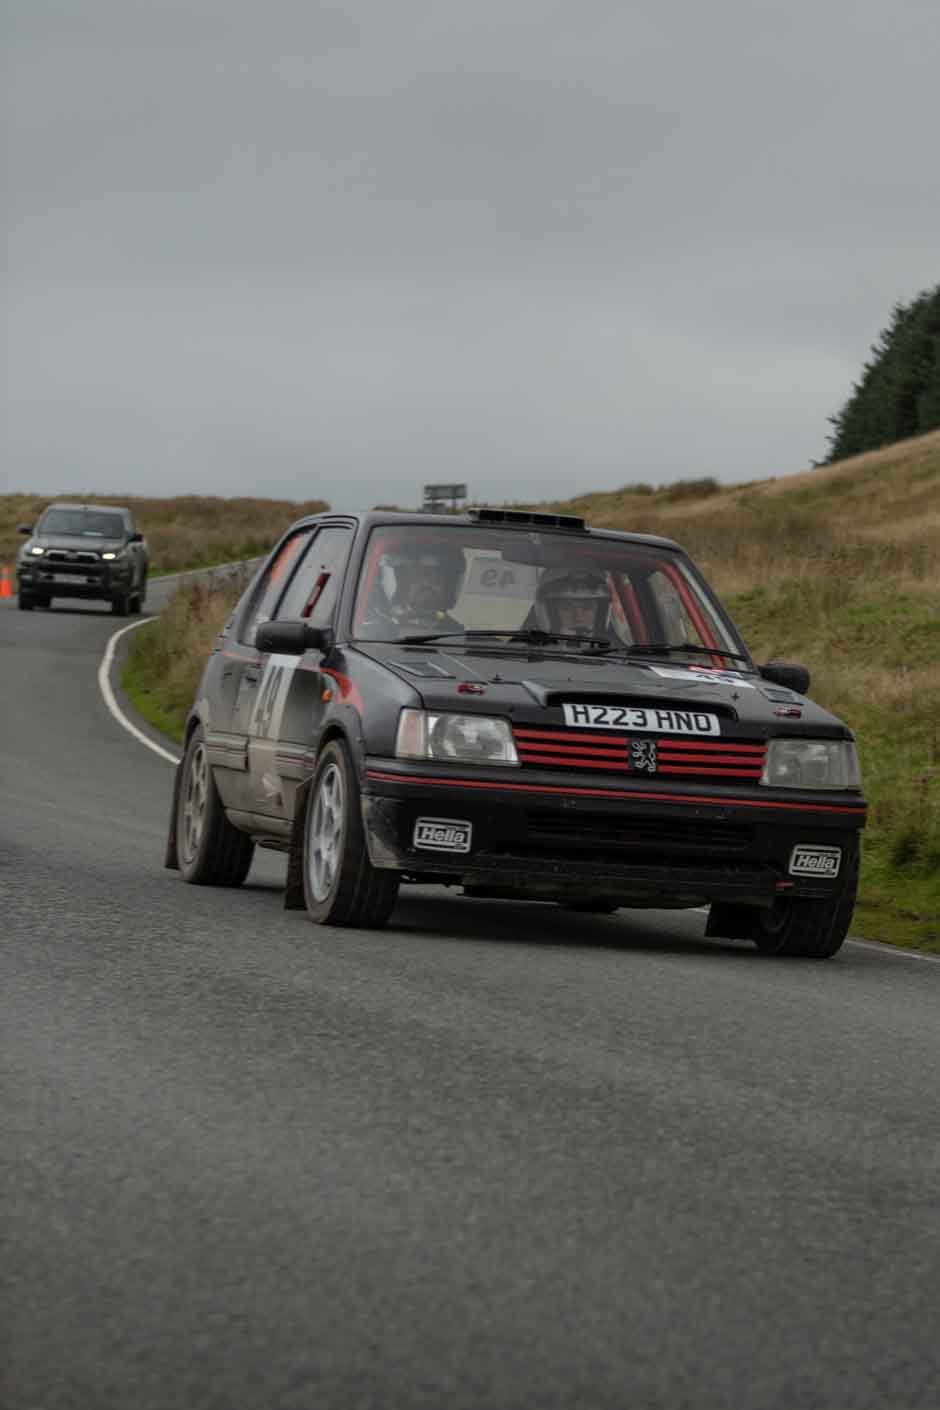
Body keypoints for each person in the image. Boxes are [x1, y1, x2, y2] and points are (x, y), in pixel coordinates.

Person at [362, 542, 466, 637]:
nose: (427, 583)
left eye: (437, 578)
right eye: (418, 575)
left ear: (449, 586)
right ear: (401, 582)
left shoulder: (456, 634)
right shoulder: (373, 632)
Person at [533, 565, 613, 639]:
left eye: (587, 608)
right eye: (567, 608)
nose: (578, 617)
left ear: (600, 612)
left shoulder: (619, 652)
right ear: (550, 612)